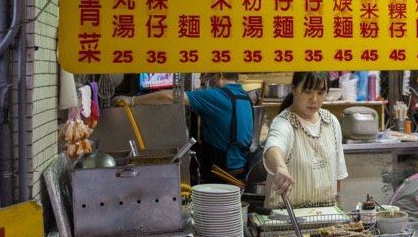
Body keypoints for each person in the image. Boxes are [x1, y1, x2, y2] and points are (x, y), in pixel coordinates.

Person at [113, 72, 254, 179]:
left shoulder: (216, 96)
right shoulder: (244, 96)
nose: (205, 79)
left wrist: (132, 100)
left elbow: (169, 96)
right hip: (240, 168)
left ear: (220, 74)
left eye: (207, 76)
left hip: (221, 172)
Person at [263, 71, 347, 209]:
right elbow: (273, 146)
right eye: (307, 91)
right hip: (286, 220)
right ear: (294, 88)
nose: (314, 99)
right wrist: (280, 167)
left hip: (325, 218)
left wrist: (339, 208)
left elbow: (337, 173)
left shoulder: (331, 122)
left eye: (320, 93)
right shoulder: (284, 122)